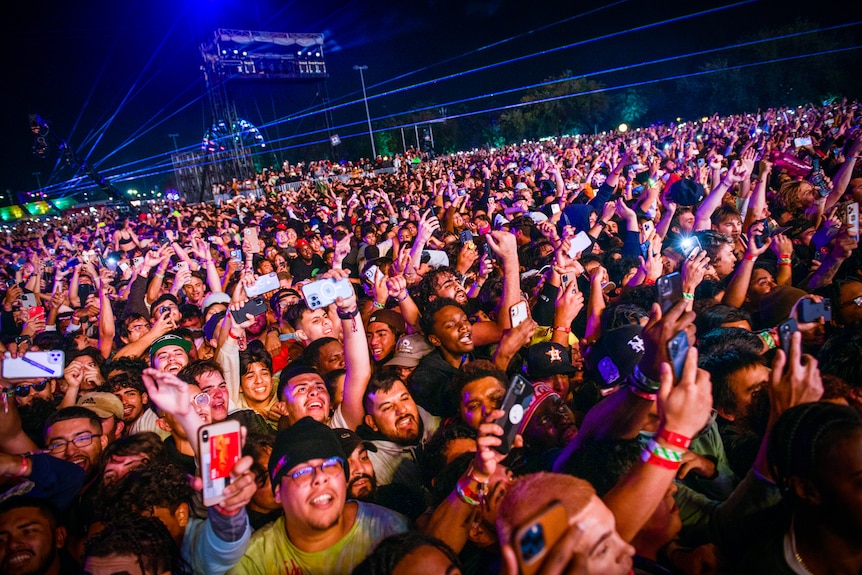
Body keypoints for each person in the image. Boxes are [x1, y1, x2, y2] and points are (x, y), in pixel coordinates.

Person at [227, 417, 408, 575]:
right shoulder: (253, 562)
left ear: (345, 478)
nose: (320, 477)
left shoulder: (392, 532)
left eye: (330, 464)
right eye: (302, 472)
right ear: (278, 493)